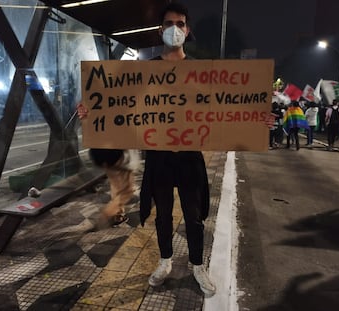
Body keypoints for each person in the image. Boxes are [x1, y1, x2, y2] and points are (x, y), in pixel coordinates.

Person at [138, 2, 216, 297]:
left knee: (194, 216)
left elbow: (224, 110)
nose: (174, 29)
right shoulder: (145, 71)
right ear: (161, 30)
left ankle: (198, 266)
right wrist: (92, 113)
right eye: (169, 23)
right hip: (158, 157)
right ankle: (165, 262)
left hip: (189, 157)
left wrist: (256, 119)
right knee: (163, 216)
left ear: (188, 29)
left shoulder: (200, 72)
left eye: (180, 24)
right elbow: (123, 107)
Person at [77, 104, 139, 228]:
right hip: (118, 154)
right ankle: (107, 214)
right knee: (127, 190)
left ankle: (118, 215)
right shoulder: (121, 101)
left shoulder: (97, 97)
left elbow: (85, 118)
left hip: (101, 154)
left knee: (116, 185)